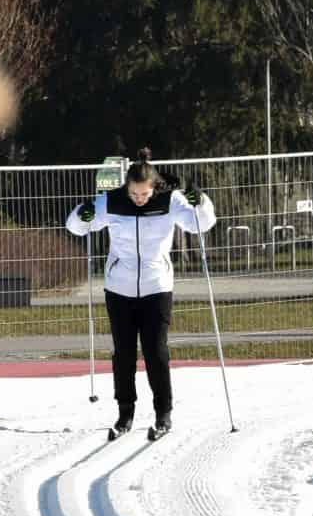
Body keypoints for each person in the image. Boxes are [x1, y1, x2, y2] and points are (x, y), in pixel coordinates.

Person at [66, 148, 218, 440]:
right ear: (127, 186)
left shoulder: (169, 201)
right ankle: (125, 413)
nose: (138, 199)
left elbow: (201, 223)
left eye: (143, 194)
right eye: (134, 194)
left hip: (157, 287)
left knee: (155, 352)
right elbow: (77, 227)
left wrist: (202, 203)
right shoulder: (112, 201)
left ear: (153, 187)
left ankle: (164, 414)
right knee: (123, 353)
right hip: (119, 288)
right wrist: (81, 213)